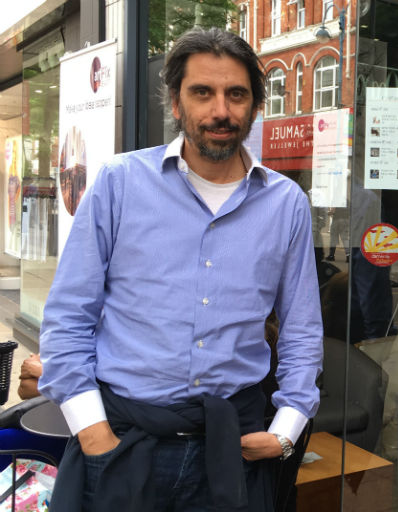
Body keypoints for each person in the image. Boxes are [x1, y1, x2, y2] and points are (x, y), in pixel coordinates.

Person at [38, 27, 322, 512]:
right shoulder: (119, 183)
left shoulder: (286, 204)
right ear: (175, 102)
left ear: (254, 107)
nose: (220, 111)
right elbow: (68, 318)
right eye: (202, 93)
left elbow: (301, 329)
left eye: (237, 94)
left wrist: (288, 429)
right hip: (124, 442)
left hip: (235, 448)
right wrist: (93, 433)